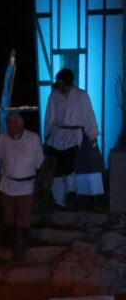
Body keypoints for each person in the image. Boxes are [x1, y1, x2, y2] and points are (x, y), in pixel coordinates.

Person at [0, 111, 46, 259]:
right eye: (7, 123)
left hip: (26, 186)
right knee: (9, 217)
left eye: (11, 123)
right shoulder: (2, 139)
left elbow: (40, 163)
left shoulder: (33, 138)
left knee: (23, 217)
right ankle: (12, 243)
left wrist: (44, 183)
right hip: (7, 185)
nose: (8, 126)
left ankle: (21, 246)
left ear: (19, 124)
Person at [43, 68, 101, 207]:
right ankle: (58, 199)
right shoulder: (54, 96)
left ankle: (71, 193)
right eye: (59, 83)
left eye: (62, 83)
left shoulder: (81, 96)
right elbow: (49, 117)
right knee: (55, 167)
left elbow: (88, 116)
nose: (60, 86)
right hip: (57, 135)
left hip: (74, 136)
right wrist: (47, 135)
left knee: (68, 164)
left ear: (68, 82)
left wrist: (92, 134)